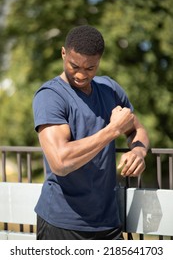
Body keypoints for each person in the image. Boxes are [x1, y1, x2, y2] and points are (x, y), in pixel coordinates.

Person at [32, 25, 149, 240]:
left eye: (90, 68)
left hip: (109, 222)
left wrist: (138, 152)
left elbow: (137, 129)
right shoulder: (50, 96)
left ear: (99, 61)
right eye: (74, 65)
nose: (81, 74)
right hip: (62, 223)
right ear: (63, 53)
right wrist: (113, 130)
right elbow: (60, 162)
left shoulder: (110, 89)